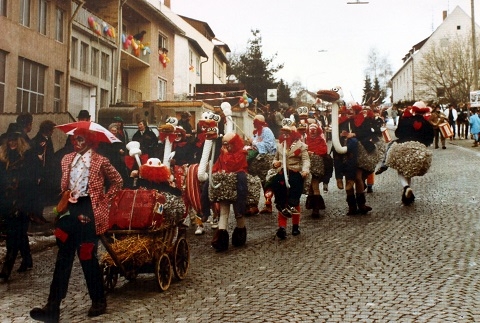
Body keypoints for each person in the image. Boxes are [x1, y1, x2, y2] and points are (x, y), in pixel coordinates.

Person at [30, 127, 123, 322]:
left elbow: (117, 181)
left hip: (89, 209)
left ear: (90, 141)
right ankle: (52, 306)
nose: (76, 142)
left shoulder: (100, 161)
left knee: (87, 255)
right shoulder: (67, 159)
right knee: (63, 257)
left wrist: (104, 201)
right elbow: (63, 183)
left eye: (80, 138)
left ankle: (98, 300)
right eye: (74, 138)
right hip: (69, 210)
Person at [0, 123, 38, 280]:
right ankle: (27, 260)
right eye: (10, 140)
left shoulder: (28, 157)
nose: (12, 142)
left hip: (22, 201)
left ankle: (6, 270)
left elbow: (32, 180)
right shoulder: (3, 157)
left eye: (15, 139)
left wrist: (26, 202)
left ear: (20, 140)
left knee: (13, 235)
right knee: (19, 233)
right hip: (6, 202)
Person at [268, 119, 310, 239]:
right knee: (281, 201)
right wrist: (275, 163)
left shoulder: (301, 145)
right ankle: (282, 228)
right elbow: (275, 159)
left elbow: (306, 160)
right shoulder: (280, 145)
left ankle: (295, 226)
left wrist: (305, 170)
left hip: (295, 174)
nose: (285, 136)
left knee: (293, 202)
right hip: (282, 173)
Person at [385, 102, 434, 205]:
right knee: (409, 170)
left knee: (401, 170)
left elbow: (398, 133)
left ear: (414, 110)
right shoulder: (427, 124)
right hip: (418, 150)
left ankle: (406, 187)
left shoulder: (405, 120)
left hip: (403, 146)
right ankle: (407, 194)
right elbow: (430, 140)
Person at [210, 132, 249, 252]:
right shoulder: (222, 154)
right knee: (224, 212)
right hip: (225, 187)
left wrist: (226, 155)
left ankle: (240, 234)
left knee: (239, 212)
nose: (225, 147)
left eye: (227, 144)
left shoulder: (241, 153)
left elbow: (234, 166)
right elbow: (217, 166)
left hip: (237, 186)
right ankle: (221, 238)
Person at [246, 114, 276, 215]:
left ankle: (268, 205)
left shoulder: (267, 131)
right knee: (252, 182)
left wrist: (254, 142)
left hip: (265, 161)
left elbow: (268, 146)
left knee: (266, 182)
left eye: (256, 122)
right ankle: (253, 205)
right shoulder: (255, 133)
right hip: (255, 163)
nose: (254, 124)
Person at [30, 120, 57, 223]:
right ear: (47, 130)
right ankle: (35, 215)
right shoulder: (39, 141)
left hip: (46, 172)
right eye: (52, 130)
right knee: (38, 195)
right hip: (41, 173)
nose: (53, 132)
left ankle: (39, 214)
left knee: (43, 195)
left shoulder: (47, 139)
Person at [305, 122, 328, 217]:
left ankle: (316, 208)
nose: (312, 132)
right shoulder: (306, 140)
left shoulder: (320, 140)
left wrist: (313, 153)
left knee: (314, 185)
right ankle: (316, 204)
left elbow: (324, 151)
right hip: (308, 165)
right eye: (311, 130)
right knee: (311, 185)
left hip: (316, 166)